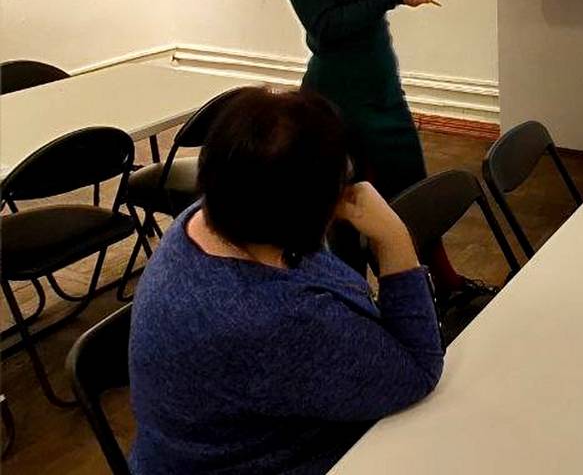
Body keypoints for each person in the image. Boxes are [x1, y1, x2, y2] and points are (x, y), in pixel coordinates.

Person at [129, 88, 444, 474]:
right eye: (341, 177)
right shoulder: (274, 317)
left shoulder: (213, 216)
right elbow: (418, 370)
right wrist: (393, 237)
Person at [277, 0, 478, 299]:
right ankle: (357, 303)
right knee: (351, 212)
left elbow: (368, 5)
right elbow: (324, 29)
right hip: (339, 98)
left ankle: (442, 285)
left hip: (382, 84)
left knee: (412, 192)